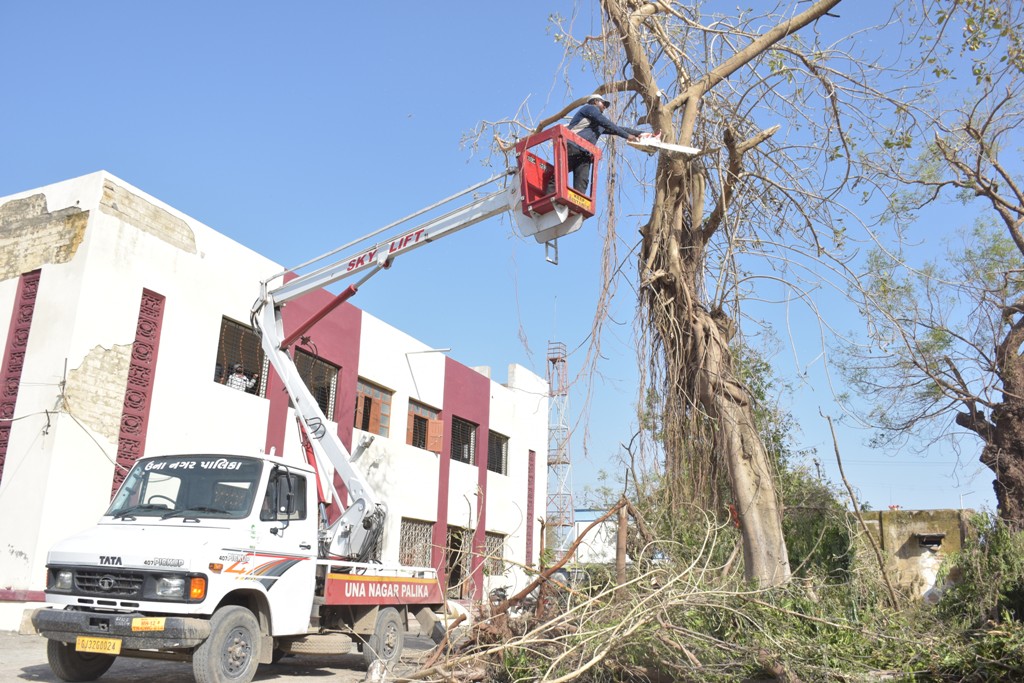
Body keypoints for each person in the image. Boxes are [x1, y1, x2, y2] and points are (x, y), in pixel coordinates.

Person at [565, 94, 648, 193]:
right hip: (572, 146)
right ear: (595, 101)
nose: (605, 107)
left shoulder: (598, 125)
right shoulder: (589, 108)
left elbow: (618, 129)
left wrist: (640, 134)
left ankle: (575, 207)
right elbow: (606, 122)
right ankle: (550, 194)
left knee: (582, 183)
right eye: (603, 103)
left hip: (583, 154)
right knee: (559, 174)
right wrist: (627, 136)